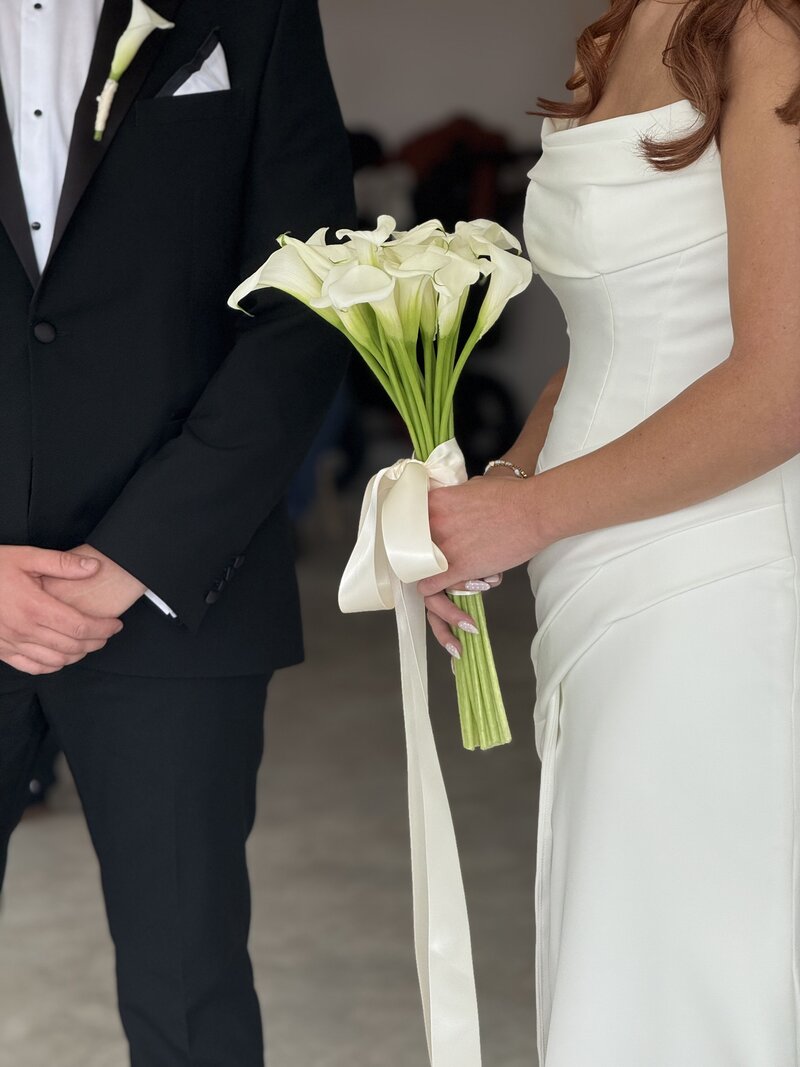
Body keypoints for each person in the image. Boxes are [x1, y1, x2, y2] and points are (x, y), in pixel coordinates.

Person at [420, 1, 800, 1063]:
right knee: (618, 926)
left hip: (709, 572)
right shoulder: (619, 29)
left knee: (689, 958)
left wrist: (527, 515)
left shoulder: (764, 31)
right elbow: (608, 339)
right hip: (592, 559)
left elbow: (779, 387)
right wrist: (495, 491)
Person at [0, 1, 353, 1064]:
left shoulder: (254, 12)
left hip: (178, 595)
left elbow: (310, 295)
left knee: (189, 995)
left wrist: (138, 556)